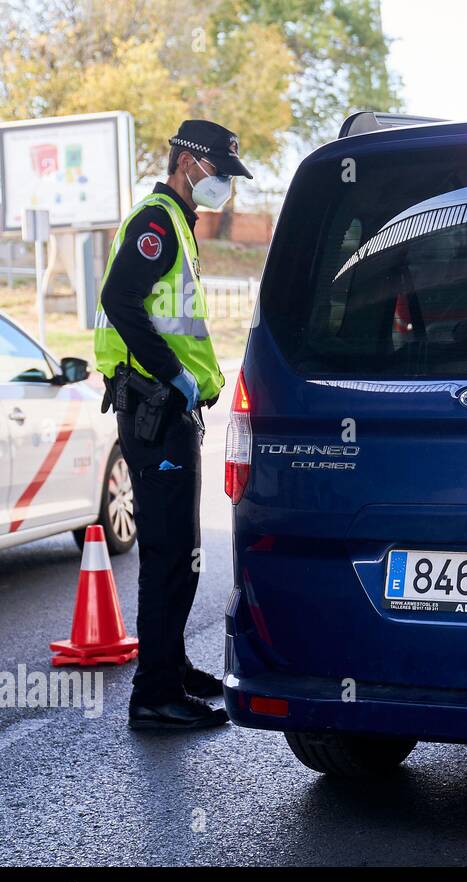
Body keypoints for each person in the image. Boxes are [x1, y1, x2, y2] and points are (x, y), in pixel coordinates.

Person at [93, 120, 252, 731]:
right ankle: (154, 695)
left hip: (167, 409)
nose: (223, 187)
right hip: (155, 408)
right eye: (217, 172)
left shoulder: (177, 225)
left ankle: (173, 666)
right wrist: (170, 377)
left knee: (179, 551)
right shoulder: (157, 221)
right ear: (187, 161)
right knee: (167, 554)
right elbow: (119, 299)